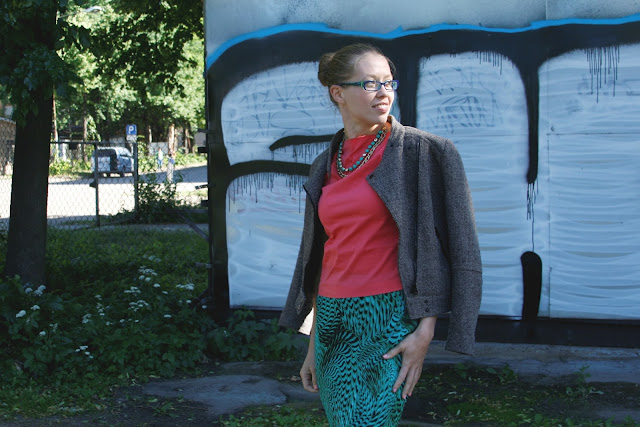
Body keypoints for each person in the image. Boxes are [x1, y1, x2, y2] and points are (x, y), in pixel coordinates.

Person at [279, 43, 482, 426]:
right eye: (370, 83)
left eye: (389, 82)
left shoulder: (423, 154)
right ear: (337, 93)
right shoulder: (324, 164)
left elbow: (459, 246)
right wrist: (313, 345)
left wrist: (425, 330)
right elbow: (323, 256)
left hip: (387, 316)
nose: (384, 92)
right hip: (332, 318)